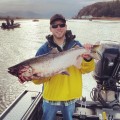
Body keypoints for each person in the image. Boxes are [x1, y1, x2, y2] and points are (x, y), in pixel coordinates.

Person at [21, 14, 95, 120]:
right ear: (50, 29)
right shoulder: (43, 50)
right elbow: (37, 81)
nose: (58, 28)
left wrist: (88, 59)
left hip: (71, 97)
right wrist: (34, 76)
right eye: (55, 26)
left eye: (61, 25)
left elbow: (86, 69)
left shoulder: (77, 46)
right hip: (51, 98)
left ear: (66, 26)